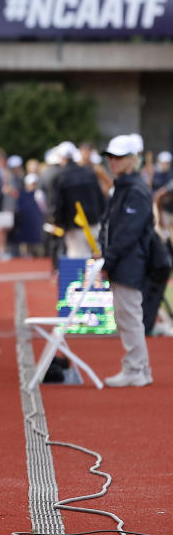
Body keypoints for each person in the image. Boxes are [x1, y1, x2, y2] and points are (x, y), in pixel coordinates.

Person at [99, 135, 154, 386]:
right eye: (110, 157)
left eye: (118, 157)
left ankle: (135, 369)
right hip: (123, 259)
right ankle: (139, 368)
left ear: (133, 159)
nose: (112, 161)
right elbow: (110, 225)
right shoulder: (123, 187)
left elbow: (127, 233)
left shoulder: (136, 190)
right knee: (126, 315)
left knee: (128, 314)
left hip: (131, 260)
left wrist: (107, 260)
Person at [52, 141, 106, 258]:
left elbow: (58, 204)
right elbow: (100, 198)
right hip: (94, 222)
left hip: (74, 227)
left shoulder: (61, 176)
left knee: (79, 262)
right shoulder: (89, 172)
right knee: (97, 258)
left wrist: (59, 223)